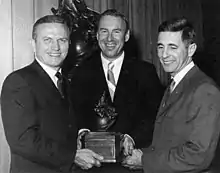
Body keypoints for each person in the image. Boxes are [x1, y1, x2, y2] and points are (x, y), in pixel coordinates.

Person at [0, 15, 103, 173]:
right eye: (47, 40)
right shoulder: (19, 81)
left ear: (69, 43)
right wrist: (72, 156)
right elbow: (23, 140)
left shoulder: (65, 81)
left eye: (62, 40)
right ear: (33, 44)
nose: (55, 47)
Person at [122, 17, 220, 173]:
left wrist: (144, 160)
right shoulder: (175, 85)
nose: (164, 54)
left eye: (172, 47)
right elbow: (167, 143)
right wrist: (141, 153)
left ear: (191, 49)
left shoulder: (205, 90)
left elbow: (198, 156)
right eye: (161, 47)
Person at [69, 9, 164, 168]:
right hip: (91, 166)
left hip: (130, 164)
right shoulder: (80, 72)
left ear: (126, 36)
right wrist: (82, 133)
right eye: (104, 31)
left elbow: (154, 116)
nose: (109, 38)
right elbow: (73, 113)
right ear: (97, 35)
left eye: (116, 32)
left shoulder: (145, 72)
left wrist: (133, 138)